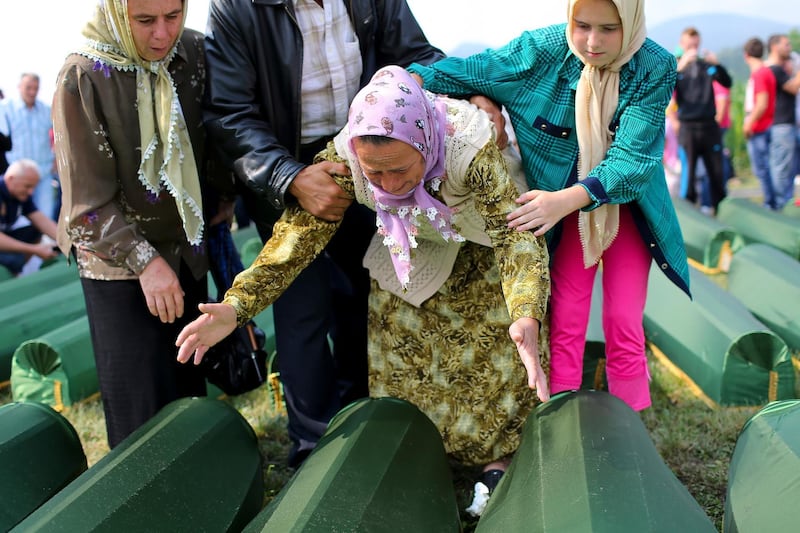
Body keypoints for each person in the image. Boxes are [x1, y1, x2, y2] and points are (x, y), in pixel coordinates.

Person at [177, 65, 551, 513]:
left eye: (400, 170)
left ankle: (496, 465)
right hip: (407, 244)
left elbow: (514, 235)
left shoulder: (468, 147)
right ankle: (418, 457)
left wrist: (526, 310)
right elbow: (296, 238)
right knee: (403, 358)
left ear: (425, 143)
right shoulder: (346, 155)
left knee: (489, 361)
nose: (390, 186)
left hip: (481, 241)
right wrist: (238, 306)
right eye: (376, 175)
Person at [409, 0, 690, 413]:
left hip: (623, 209)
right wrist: (471, 96)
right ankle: (560, 423)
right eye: (582, 25)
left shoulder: (653, 65)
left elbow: (633, 161)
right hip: (566, 212)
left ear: (630, 22)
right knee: (568, 317)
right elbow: (457, 72)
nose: (593, 42)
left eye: (609, 29)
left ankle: (631, 436)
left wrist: (564, 200)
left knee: (624, 323)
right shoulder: (538, 52)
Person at [201, 0, 445, 467]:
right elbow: (230, 112)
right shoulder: (236, 8)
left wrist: (442, 93)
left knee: (371, 294)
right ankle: (315, 451)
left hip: (368, 155)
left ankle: (369, 421)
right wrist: (289, 176)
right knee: (302, 309)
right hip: (285, 165)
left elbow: (417, 56)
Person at [52, 0, 221, 448]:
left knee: (187, 399)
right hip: (120, 270)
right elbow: (84, 209)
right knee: (141, 422)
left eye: (174, 16)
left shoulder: (193, 54)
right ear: (115, 12)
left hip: (187, 255)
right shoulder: (83, 76)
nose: (162, 35)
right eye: (145, 21)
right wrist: (145, 262)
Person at [669, 26, 732, 214]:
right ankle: (689, 214)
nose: (693, 47)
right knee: (688, 174)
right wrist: (680, 66)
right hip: (688, 127)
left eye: (696, 44)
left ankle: (720, 211)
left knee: (716, 172)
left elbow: (727, 82)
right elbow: (665, 89)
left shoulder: (707, 66)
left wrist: (717, 64)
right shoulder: (676, 67)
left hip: (709, 126)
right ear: (682, 44)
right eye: (689, 44)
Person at [2, 73, 59, 221]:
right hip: (18, 174)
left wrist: (57, 158)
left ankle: (44, 244)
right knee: (18, 218)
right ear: (19, 87)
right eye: (28, 88)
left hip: (43, 172)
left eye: (36, 88)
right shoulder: (5, 108)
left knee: (45, 215)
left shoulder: (46, 110)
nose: (32, 92)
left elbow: (60, 134)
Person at [0, 159, 58, 276]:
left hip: (6, 237)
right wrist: (34, 249)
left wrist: (67, 242)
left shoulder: (20, 195)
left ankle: (17, 271)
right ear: (11, 179)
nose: (31, 192)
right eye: (27, 186)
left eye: (33, 187)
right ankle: (11, 274)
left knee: (34, 231)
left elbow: (42, 221)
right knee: (13, 260)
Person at [742, 37, 777, 210]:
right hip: (767, 125)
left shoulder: (759, 74)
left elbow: (761, 103)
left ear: (746, 55)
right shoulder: (767, 71)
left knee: (762, 169)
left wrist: (749, 123)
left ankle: (770, 203)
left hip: (759, 128)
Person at [766, 34, 800, 209]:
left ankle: (783, 203)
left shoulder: (778, 69)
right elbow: (794, 87)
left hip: (785, 125)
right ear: (774, 46)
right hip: (781, 125)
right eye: (786, 45)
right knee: (781, 169)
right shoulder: (774, 69)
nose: (789, 48)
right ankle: (781, 206)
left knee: (787, 168)